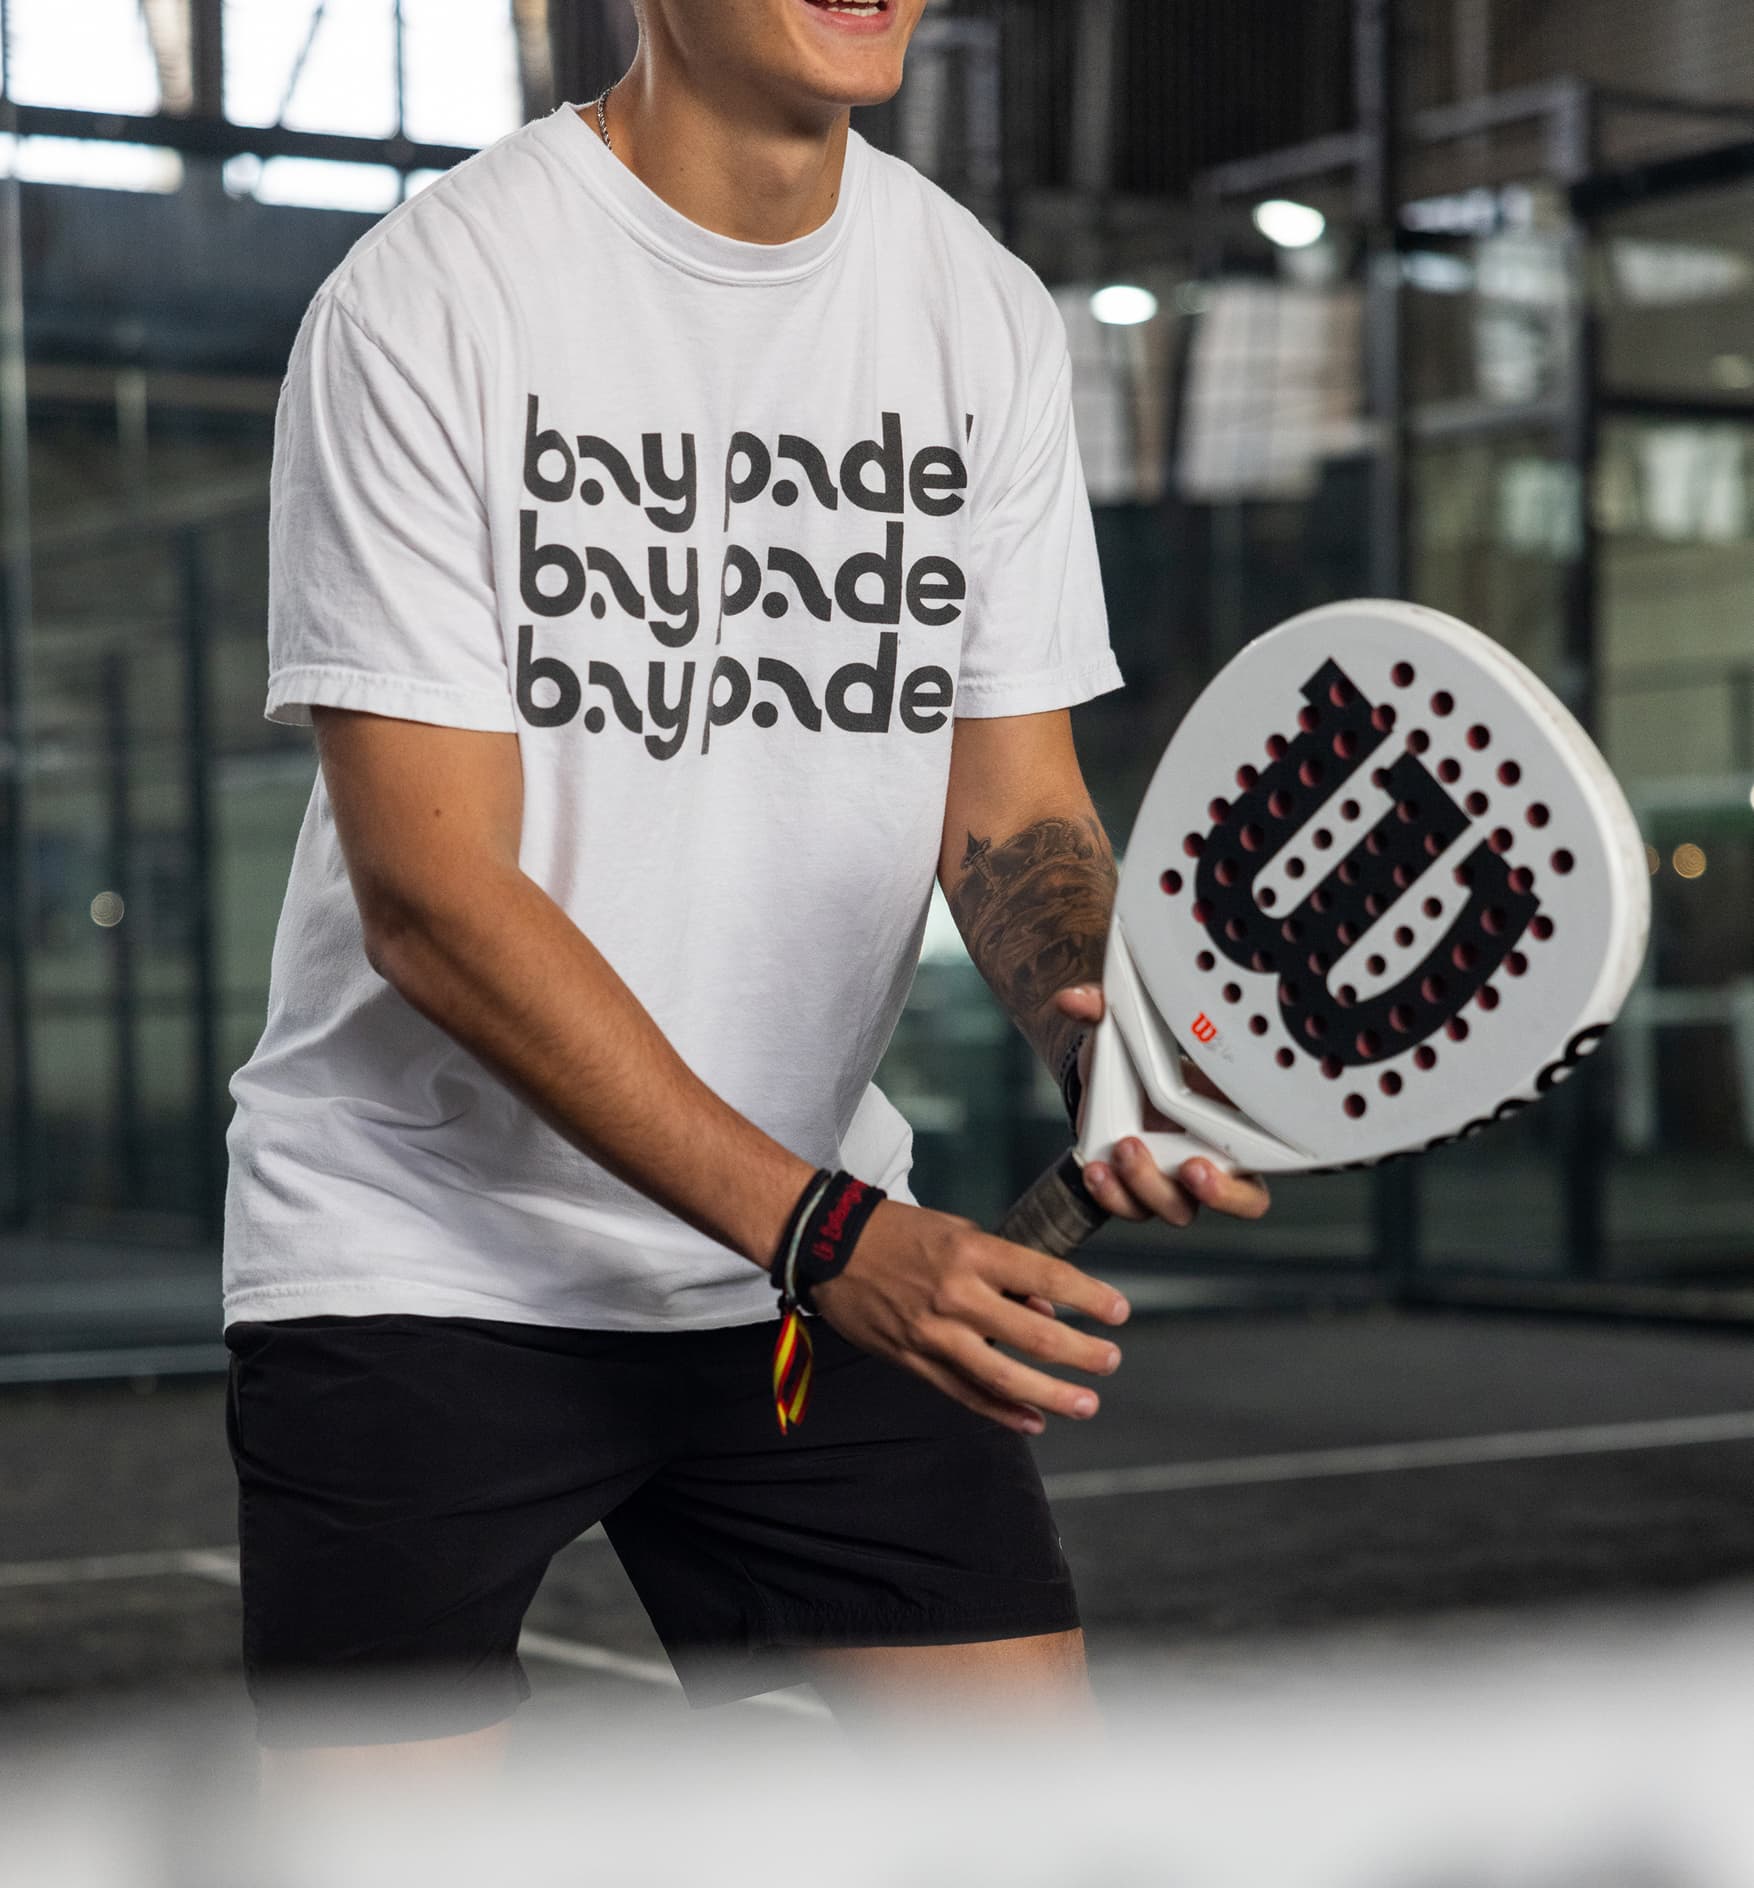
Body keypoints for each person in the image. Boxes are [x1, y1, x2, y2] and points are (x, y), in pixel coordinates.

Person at [223, 0, 1270, 1771]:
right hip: (425, 1255)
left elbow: (1014, 806)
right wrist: (824, 1236)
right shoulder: (430, 300)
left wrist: (1105, 1033)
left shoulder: (977, 312)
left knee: (1024, 1818)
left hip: (797, 1259)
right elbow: (428, 893)